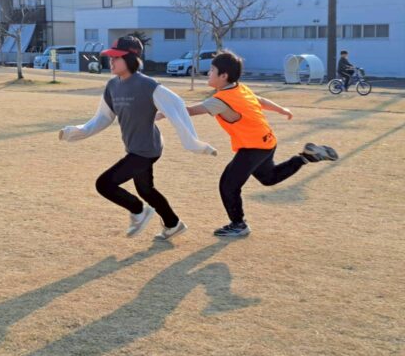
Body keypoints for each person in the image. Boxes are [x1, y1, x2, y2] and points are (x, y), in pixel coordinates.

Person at [157, 51, 339, 237]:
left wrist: (162, 113)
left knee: (228, 185)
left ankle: (239, 224)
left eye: (212, 70)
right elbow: (260, 101)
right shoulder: (240, 89)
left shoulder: (221, 100)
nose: (208, 73)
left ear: (223, 76)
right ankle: (306, 157)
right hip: (267, 141)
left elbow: (189, 111)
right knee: (268, 178)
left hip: (253, 147)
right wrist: (281, 109)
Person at [59, 36, 217, 240]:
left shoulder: (148, 85)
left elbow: (176, 105)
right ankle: (173, 224)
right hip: (135, 148)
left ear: (131, 58)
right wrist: (75, 131)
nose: (111, 61)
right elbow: (103, 117)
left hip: (147, 149)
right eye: (111, 57)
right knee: (146, 190)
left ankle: (138, 211)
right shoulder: (112, 86)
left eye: (116, 57)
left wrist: (195, 144)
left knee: (104, 184)